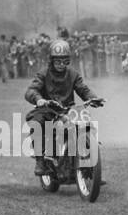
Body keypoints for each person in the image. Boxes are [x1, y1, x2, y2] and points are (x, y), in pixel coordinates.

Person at [24, 40, 103, 176]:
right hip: (48, 109)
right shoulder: (43, 74)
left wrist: (93, 98)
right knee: (37, 121)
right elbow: (31, 90)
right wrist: (40, 100)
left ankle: (93, 169)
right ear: (51, 61)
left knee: (87, 126)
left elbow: (83, 89)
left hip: (68, 109)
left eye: (65, 61)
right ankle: (40, 161)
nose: (61, 65)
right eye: (58, 61)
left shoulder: (73, 74)